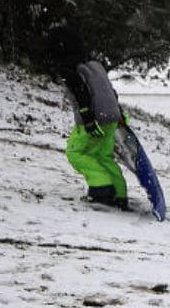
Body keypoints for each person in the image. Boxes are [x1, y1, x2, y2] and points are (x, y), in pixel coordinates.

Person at [45, 25, 130, 210]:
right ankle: (119, 194)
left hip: (94, 119)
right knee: (103, 155)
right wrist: (120, 115)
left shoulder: (70, 69)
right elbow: (111, 91)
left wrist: (87, 117)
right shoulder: (96, 66)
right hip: (112, 117)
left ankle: (102, 189)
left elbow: (80, 90)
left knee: (76, 153)